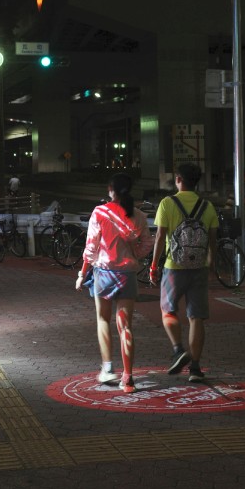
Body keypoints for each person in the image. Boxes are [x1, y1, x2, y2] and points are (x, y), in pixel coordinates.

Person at [75, 173, 153, 393]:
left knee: (103, 319)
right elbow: (148, 242)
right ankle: (127, 378)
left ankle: (107, 368)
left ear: (111, 189)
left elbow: (91, 247)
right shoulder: (138, 215)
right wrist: (135, 254)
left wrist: (82, 273)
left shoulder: (100, 212)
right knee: (125, 326)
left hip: (104, 273)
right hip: (127, 274)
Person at [149, 162, 218, 382]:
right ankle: (196, 369)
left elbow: (160, 236)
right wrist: (211, 263)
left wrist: (153, 265)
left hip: (174, 267)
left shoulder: (167, 203)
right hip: (199, 267)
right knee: (196, 317)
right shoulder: (207, 206)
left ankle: (179, 350)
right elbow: (212, 239)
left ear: (178, 179)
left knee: (168, 311)